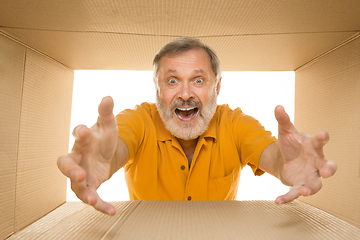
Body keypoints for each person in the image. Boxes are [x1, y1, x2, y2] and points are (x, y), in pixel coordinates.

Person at [57, 37, 337, 216]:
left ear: (217, 86)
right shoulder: (140, 120)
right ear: (157, 88)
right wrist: (101, 160)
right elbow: (117, 147)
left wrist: (290, 166)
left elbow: (274, 156)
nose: (186, 94)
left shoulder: (235, 124)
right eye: (172, 80)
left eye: (199, 80)